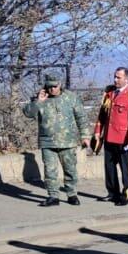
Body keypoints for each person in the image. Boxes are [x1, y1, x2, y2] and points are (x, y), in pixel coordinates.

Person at [22, 73, 90, 207]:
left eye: (55, 86)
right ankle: (53, 196)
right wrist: (38, 101)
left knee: (70, 169)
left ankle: (71, 194)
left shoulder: (71, 97)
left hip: (68, 141)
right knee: (50, 170)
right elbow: (28, 113)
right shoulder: (41, 98)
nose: (52, 89)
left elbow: (81, 117)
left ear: (60, 84)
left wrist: (85, 136)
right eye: (50, 86)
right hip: (48, 141)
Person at [92, 67, 128, 205]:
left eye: (118, 77)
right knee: (109, 168)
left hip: (124, 139)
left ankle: (125, 195)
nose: (115, 80)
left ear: (126, 79)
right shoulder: (110, 94)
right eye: (115, 77)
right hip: (109, 137)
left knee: (126, 169)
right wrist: (98, 131)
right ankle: (112, 193)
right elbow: (102, 115)